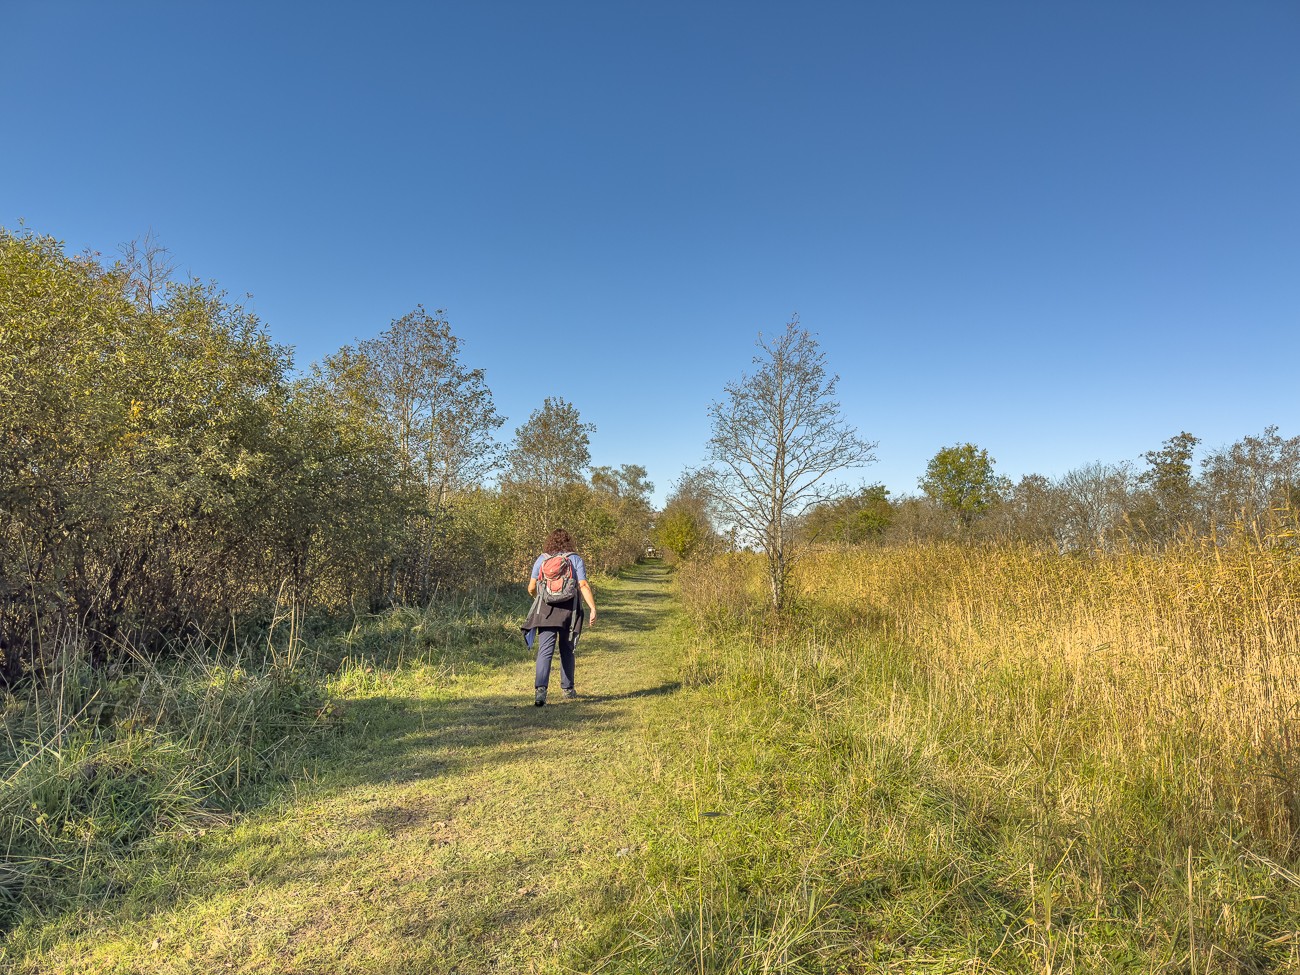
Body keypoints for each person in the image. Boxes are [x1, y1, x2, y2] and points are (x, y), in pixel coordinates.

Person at [523, 528, 597, 706]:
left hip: (546, 611)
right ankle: (568, 690)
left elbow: (531, 588)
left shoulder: (542, 559)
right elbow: (583, 585)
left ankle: (540, 693)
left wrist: (542, 599)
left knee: (545, 651)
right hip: (569, 611)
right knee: (567, 649)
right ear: (569, 541)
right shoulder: (575, 559)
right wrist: (592, 608)